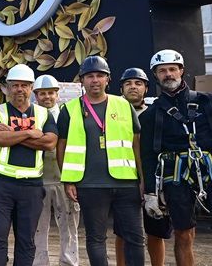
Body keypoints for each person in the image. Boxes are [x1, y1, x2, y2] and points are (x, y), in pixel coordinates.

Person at [56, 56, 142, 266]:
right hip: (89, 184)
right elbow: (62, 146)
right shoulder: (69, 110)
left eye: (100, 76)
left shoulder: (124, 106)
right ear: (82, 80)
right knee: (96, 239)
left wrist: (142, 180)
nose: (95, 80)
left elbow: (136, 145)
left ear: (108, 80)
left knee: (135, 238)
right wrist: (68, 180)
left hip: (126, 183)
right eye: (90, 76)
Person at [140, 49, 212, 266]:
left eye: (172, 69)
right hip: (174, 175)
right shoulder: (150, 115)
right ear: (156, 75)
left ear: (181, 71)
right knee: (183, 233)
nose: (168, 74)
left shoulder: (206, 102)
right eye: (162, 71)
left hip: (208, 168)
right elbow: (148, 155)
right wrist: (150, 193)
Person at [0, 64, 58, 266]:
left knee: (26, 242)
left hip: (31, 187)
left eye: (24, 85)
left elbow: (50, 143)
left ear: (31, 88)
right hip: (1, 185)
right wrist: (29, 133)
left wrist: (11, 133)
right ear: (7, 88)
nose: (19, 89)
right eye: (14, 85)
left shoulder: (44, 114)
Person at [117, 67, 171, 266]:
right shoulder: (112, 112)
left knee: (155, 231)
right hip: (123, 178)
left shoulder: (156, 113)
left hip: (153, 179)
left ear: (146, 88)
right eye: (128, 83)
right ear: (121, 88)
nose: (133, 87)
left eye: (138, 83)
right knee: (123, 231)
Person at [31, 75, 78, 266]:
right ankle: (39, 262)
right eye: (42, 93)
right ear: (36, 95)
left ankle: (69, 262)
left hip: (63, 180)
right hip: (38, 180)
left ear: (57, 94)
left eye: (51, 93)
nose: (47, 97)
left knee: (69, 226)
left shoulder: (67, 116)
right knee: (37, 227)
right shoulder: (31, 117)